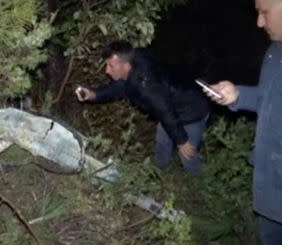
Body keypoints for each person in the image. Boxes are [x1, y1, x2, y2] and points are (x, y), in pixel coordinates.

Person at [202, 0, 282, 244]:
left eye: (264, 12)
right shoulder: (275, 51)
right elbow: (267, 98)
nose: (259, 22)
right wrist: (237, 95)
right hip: (270, 186)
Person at [75, 40, 210, 174]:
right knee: (163, 141)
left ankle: (199, 182)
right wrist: (92, 95)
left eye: (111, 66)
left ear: (126, 65)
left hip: (192, 110)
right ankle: (162, 173)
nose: (107, 71)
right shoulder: (134, 62)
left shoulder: (147, 86)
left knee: (187, 154)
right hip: (171, 105)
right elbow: (118, 88)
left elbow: (164, 109)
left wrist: (182, 141)